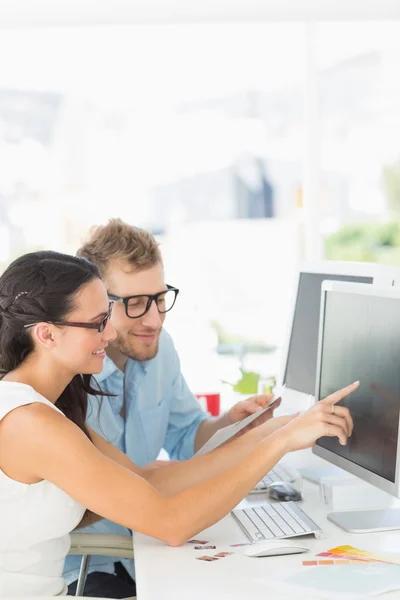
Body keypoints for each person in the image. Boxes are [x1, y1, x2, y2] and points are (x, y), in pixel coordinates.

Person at [0, 249, 358, 598]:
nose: (109, 335)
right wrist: (279, 444)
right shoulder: (32, 423)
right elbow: (171, 524)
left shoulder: (52, 405)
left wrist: (274, 430)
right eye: (97, 324)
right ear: (46, 335)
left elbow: (146, 480)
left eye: (107, 316)